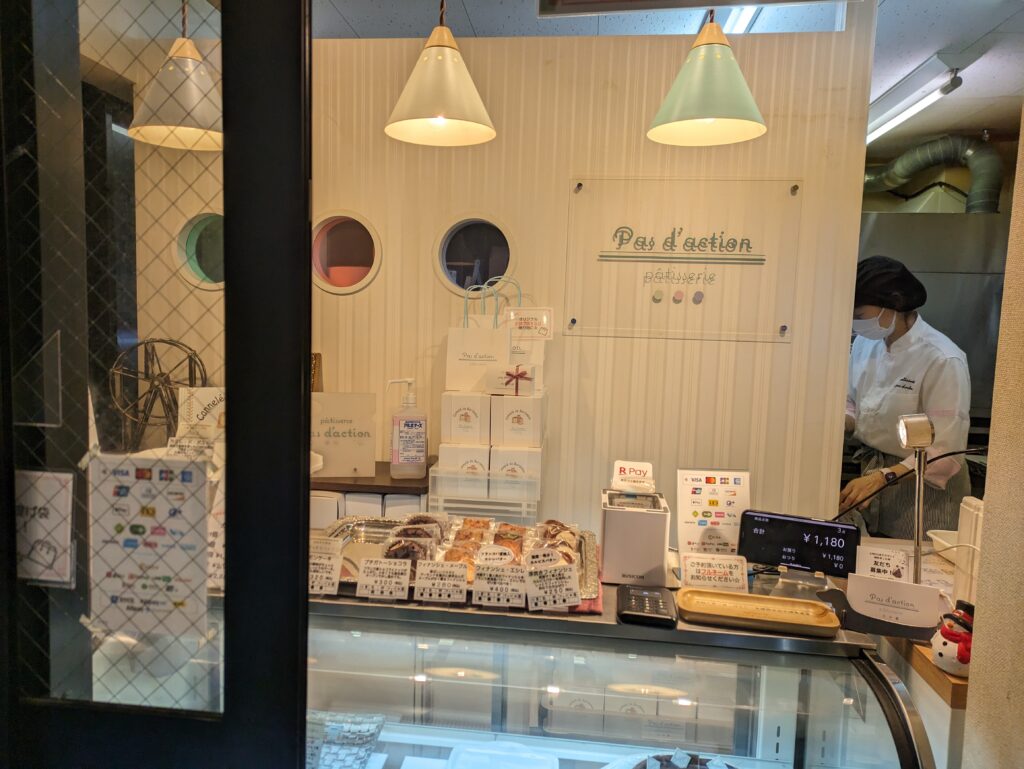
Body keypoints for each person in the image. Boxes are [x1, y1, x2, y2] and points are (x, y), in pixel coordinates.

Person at [841, 255, 971, 538]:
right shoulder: (865, 343)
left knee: (918, 558)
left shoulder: (942, 358)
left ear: (895, 304)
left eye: (860, 316)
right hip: (872, 478)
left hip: (924, 489)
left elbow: (946, 451)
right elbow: (852, 401)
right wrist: (842, 423)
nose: (855, 324)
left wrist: (884, 477)